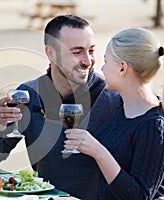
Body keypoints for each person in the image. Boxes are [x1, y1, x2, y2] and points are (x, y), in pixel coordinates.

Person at [0, 14, 121, 199]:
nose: (87, 60)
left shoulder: (112, 99)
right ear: (51, 53)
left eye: (91, 51)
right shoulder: (29, 95)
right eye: (77, 52)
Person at [64, 28, 164, 199]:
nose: (102, 68)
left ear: (122, 68)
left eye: (106, 61)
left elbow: (140, 196)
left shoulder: (153, 126)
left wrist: (98, 151)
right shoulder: (120, 108)